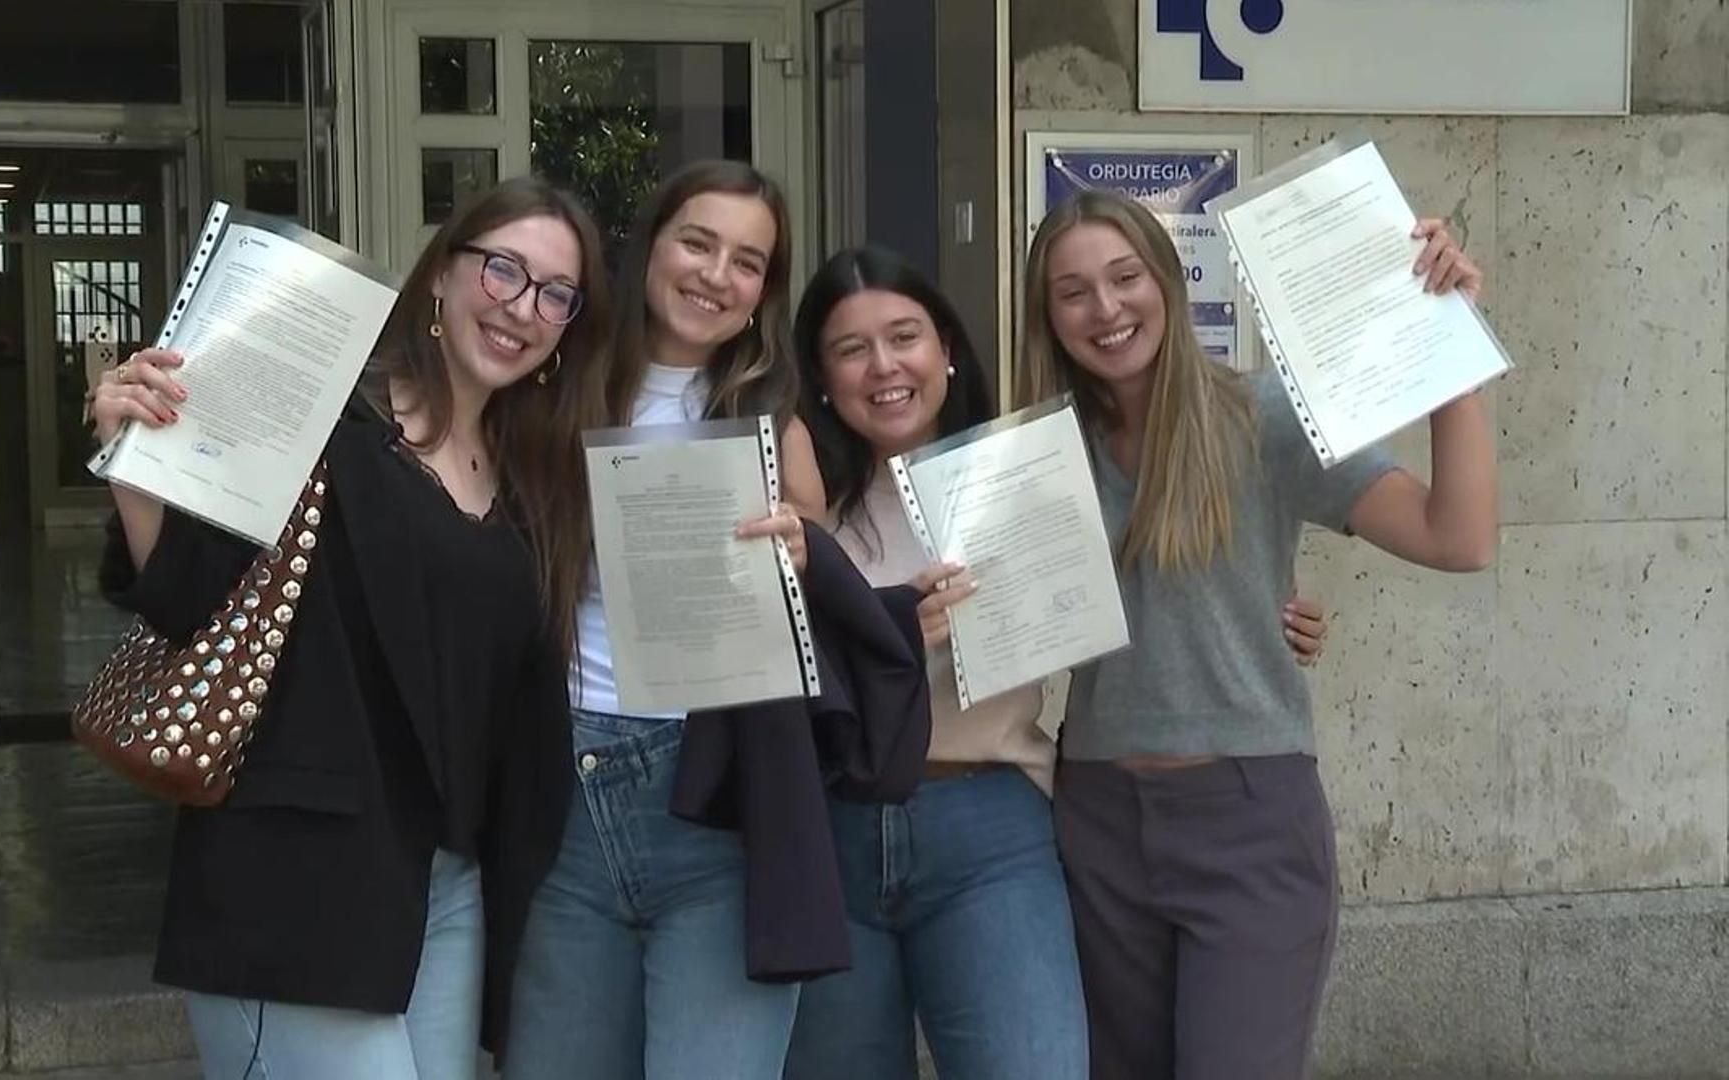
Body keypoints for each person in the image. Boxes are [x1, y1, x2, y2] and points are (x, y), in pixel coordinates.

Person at [91, 176, 611, 1080]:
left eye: (554, 294)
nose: (522, 308)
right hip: (300, 878)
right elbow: (183, 595)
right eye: (503, 271)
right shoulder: (327, 418)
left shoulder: (537, 486)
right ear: (442, 277)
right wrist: (133, 460)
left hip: (445, 888)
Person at [780, 245, 1333, 1080]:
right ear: (820, 377)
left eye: (905, 337)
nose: (884, 366)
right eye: (851, 349)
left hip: (990, 819)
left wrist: (1277, 611)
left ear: (948, 350)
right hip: (836, 825)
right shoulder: (803, 503)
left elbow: (1159, 574)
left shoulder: (1028, 474)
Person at [1020, 189, 1495, 1079]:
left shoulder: (1262, 416)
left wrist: (1450, 356)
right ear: (1046, 315)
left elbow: (1457, 537)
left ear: (1167, 280)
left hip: (1247, 818)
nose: (1106, 308)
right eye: (1073, 290)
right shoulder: (1042, 456)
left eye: (1126, 277)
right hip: (1094, 821)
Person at [501, 160, 904, 1080]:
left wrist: (806, 558)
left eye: (748, 261)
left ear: (765, 290)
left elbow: (829, 625)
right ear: (650, 245)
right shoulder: (552, 391)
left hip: (720, 793)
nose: (716, 274)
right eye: (698, 241)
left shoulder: (773, 421)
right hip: (564, 779)